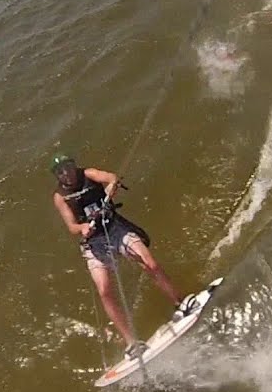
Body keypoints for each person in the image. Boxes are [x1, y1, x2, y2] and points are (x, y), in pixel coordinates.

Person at [49, 153, 198, 359]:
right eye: (60, 172)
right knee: (104, 290)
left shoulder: (88, 174)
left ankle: (180, 302)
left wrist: (111, 188)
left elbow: (111, 178)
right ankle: (131, 343)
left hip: (116, 229)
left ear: (73, 166)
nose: (65, 173)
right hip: (94, 243)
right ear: (57, 176)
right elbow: (72, 226)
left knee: (149, 263)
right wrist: (83, 228)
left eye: (67, 167)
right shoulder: (60, 196)